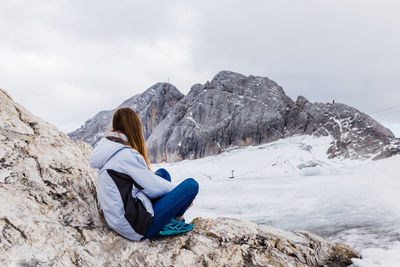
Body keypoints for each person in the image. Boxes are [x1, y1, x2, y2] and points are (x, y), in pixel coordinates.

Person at [89, 107, 199, 241]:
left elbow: (146, 183)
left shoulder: (110, 149)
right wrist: (184, 198)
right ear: (134, 127)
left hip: (120, 220)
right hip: (137, 226)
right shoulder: (125, 155)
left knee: (163, 173)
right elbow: (152, 187)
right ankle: (173, 219)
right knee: (191, 186)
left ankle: (169, 217)